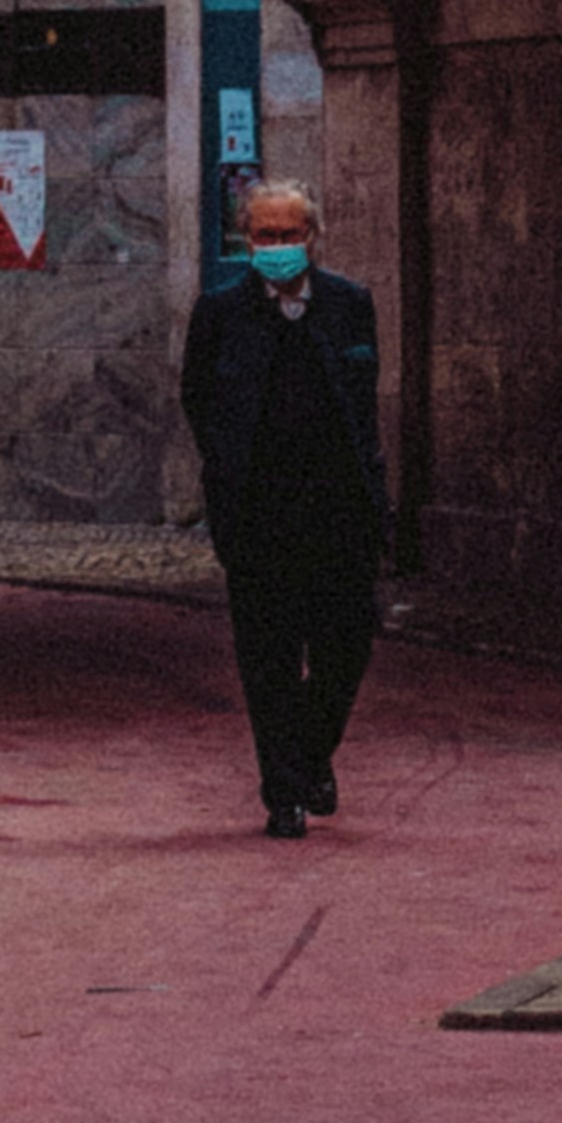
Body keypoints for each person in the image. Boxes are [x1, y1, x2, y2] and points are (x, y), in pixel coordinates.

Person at [180, 183, 385, 835]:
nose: (277, 248)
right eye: (264, 236)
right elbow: (199, 400)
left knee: (344, 647)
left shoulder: (349, 305)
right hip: (259, 515)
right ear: (247, 240)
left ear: (312, 237)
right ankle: (285, 793)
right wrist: (228, 468)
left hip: (338, 512)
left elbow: (364, 405)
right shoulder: (220, 314)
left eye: (288, 235)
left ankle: (311, 753)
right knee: (268, 660)